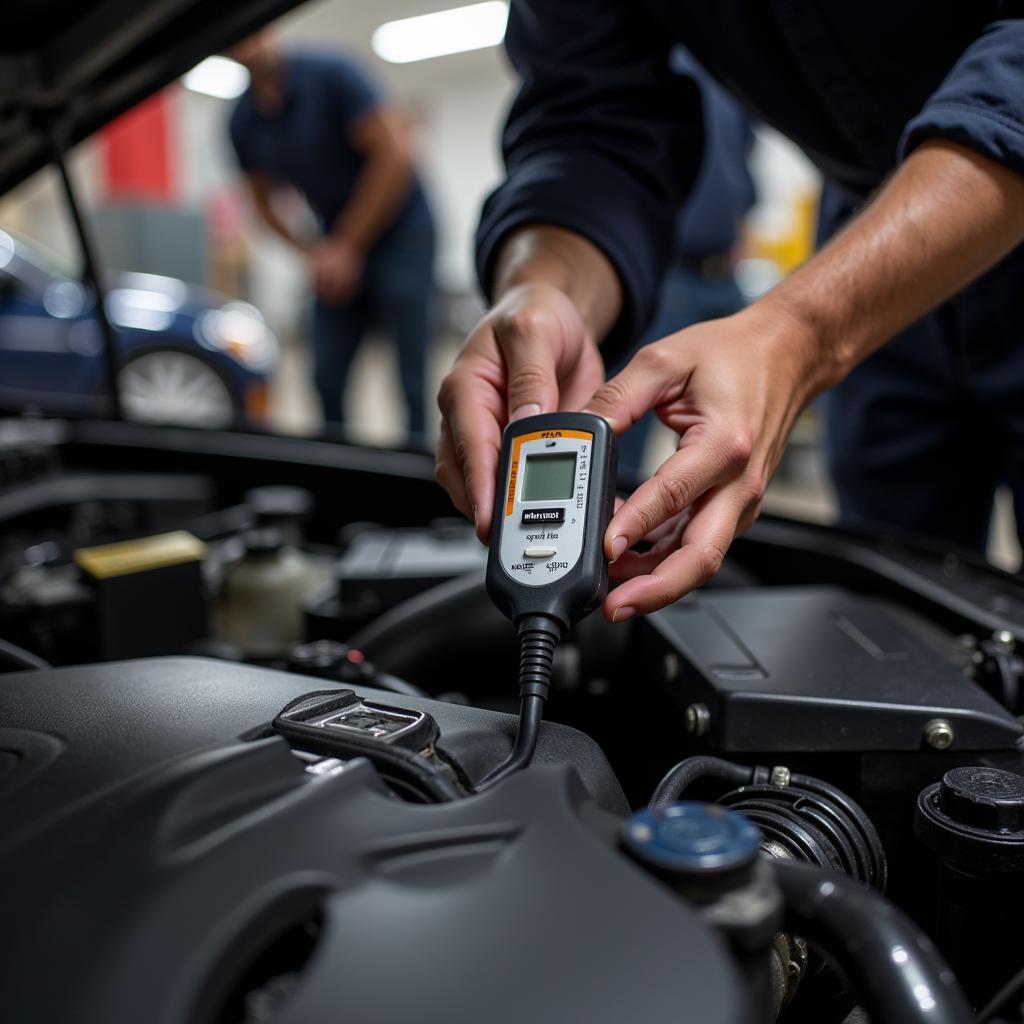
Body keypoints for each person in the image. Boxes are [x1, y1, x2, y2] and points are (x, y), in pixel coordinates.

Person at [435, 3, 1024, 624]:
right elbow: (589, 118)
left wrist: (800, 333)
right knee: (901, 621)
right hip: (870, 236)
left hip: (866, 268)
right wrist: (544, 286)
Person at [228, 32, 435, 440]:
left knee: (410, 372)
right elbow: (262, 202)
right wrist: (316, 253)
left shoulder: (334, 74)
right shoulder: (243, 120)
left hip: (401, 231)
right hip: (333, 243)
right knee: (326, 371)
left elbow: (396, 157)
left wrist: (348, 245)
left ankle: (419, 470)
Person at [615, 48, 755, 482]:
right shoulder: (653, 61)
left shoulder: (730, 68)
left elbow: (743, 165)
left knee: (731, 425)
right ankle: (612, 531)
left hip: (724, 277)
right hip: (667, 274)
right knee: (628, 419)